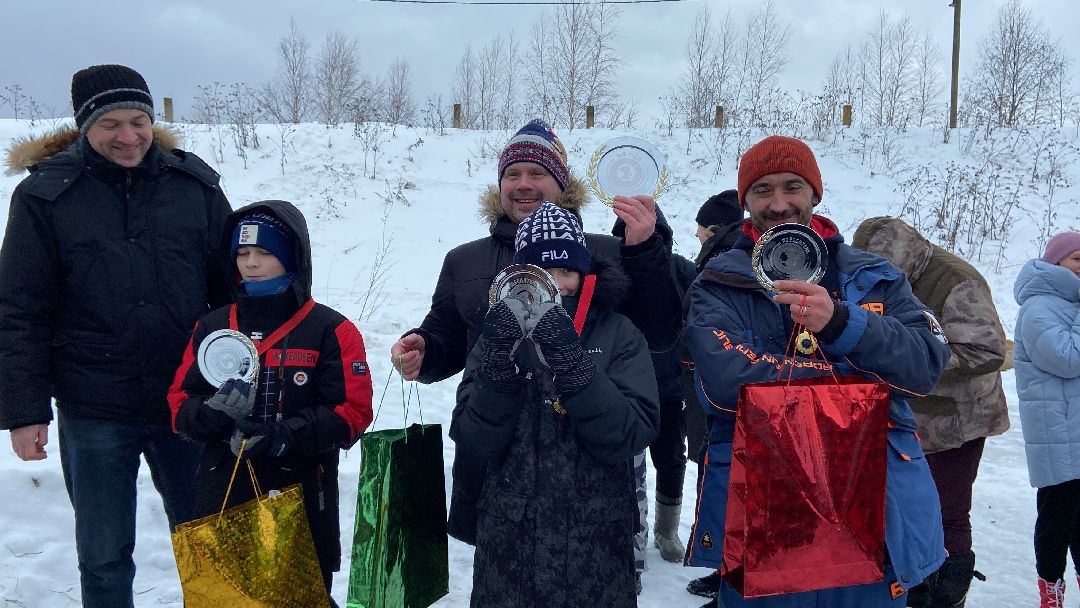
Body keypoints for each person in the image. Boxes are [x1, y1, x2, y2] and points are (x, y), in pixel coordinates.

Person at [0, 64, 232, 608]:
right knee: (104, 556)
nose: (128, 137)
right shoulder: (45, 197)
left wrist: (243, 380)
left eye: (138, 121)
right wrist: (25, 410)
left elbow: (233, 297)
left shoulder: (193, 186)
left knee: (209, 541)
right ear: (85, 126)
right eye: (111, 124)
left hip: (187, 401)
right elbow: (19, 309)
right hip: (93, 404)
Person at [685, 135, 951, 607]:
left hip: (875, 519)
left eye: (793, 187)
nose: (779, 203)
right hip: (763, 521)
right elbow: (726, 384)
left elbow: (924, 366)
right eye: (763, 190)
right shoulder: (718, 281)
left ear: (815, 194)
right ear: (745, 200)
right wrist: (856, 380)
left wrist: (843, 324)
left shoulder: (876, 276)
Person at [388, 118, 678, 547]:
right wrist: (423, 350)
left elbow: (659, 329)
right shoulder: (464, 260)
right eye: (512, 174)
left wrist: (646, 251)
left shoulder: (602, 252)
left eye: (537, 173)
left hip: (587, 458)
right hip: (496, 453)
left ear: (563, 184)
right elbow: (446, 334)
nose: (523, 184)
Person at [450, 202, 659, 607]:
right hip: (509, 544)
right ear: (520, 278)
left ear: (584, 274)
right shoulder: (496, 336)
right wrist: (497, 362)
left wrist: (574, 364)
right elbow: (474, 438)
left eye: (566, 271)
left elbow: (632, 433)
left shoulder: (619, 333)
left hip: (596, 545)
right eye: (542, 273)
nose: (557, 286)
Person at [169, 200, 373, 603]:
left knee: (298, 594)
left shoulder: (330, 329)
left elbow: (352, 412)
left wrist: (284, 435)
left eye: (265, 253)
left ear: (292, 257)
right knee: (225, 595)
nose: (252, 263)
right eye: (242, 253)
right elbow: (179, 401)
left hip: (297, 491)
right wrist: (208, 417)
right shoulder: (213, 325)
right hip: (222, 488)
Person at [853, 217, 1009, 608]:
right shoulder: (876, 277)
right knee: (907, 509)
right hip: (911, 414)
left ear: (910, 257)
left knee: (947, 513)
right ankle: (914, 587)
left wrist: (913, 359)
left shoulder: (956, 279)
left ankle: (947, 593)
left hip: (960, 420)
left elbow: (988, 350)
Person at [683, 189, 747, 603]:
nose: (698, 238)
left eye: (701, 231)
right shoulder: (721, 256)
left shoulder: (719, 261)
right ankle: (725, 570)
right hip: (710, 386)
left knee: (726, 484)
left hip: (719, 391)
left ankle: (731, 576)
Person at [1013, 231, 1080, 608]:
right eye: (1077, 260)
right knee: (1056, 518)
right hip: (1057, 432)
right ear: (1056, 263)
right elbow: (1068, 359)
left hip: (1076, 429)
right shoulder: (1039, 308)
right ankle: (1050, 593)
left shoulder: (1070, 305)